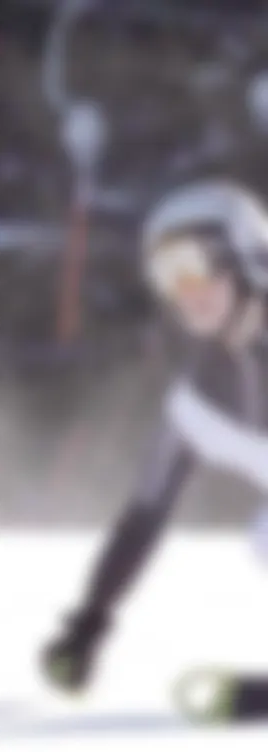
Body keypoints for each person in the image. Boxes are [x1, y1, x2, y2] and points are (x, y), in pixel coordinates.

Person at [42, 178, 268, 693]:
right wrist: (88, 626)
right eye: (169, 275)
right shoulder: (201, 403)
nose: (186, 292)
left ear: (243, 259)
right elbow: (144, 516)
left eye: (193, 266)